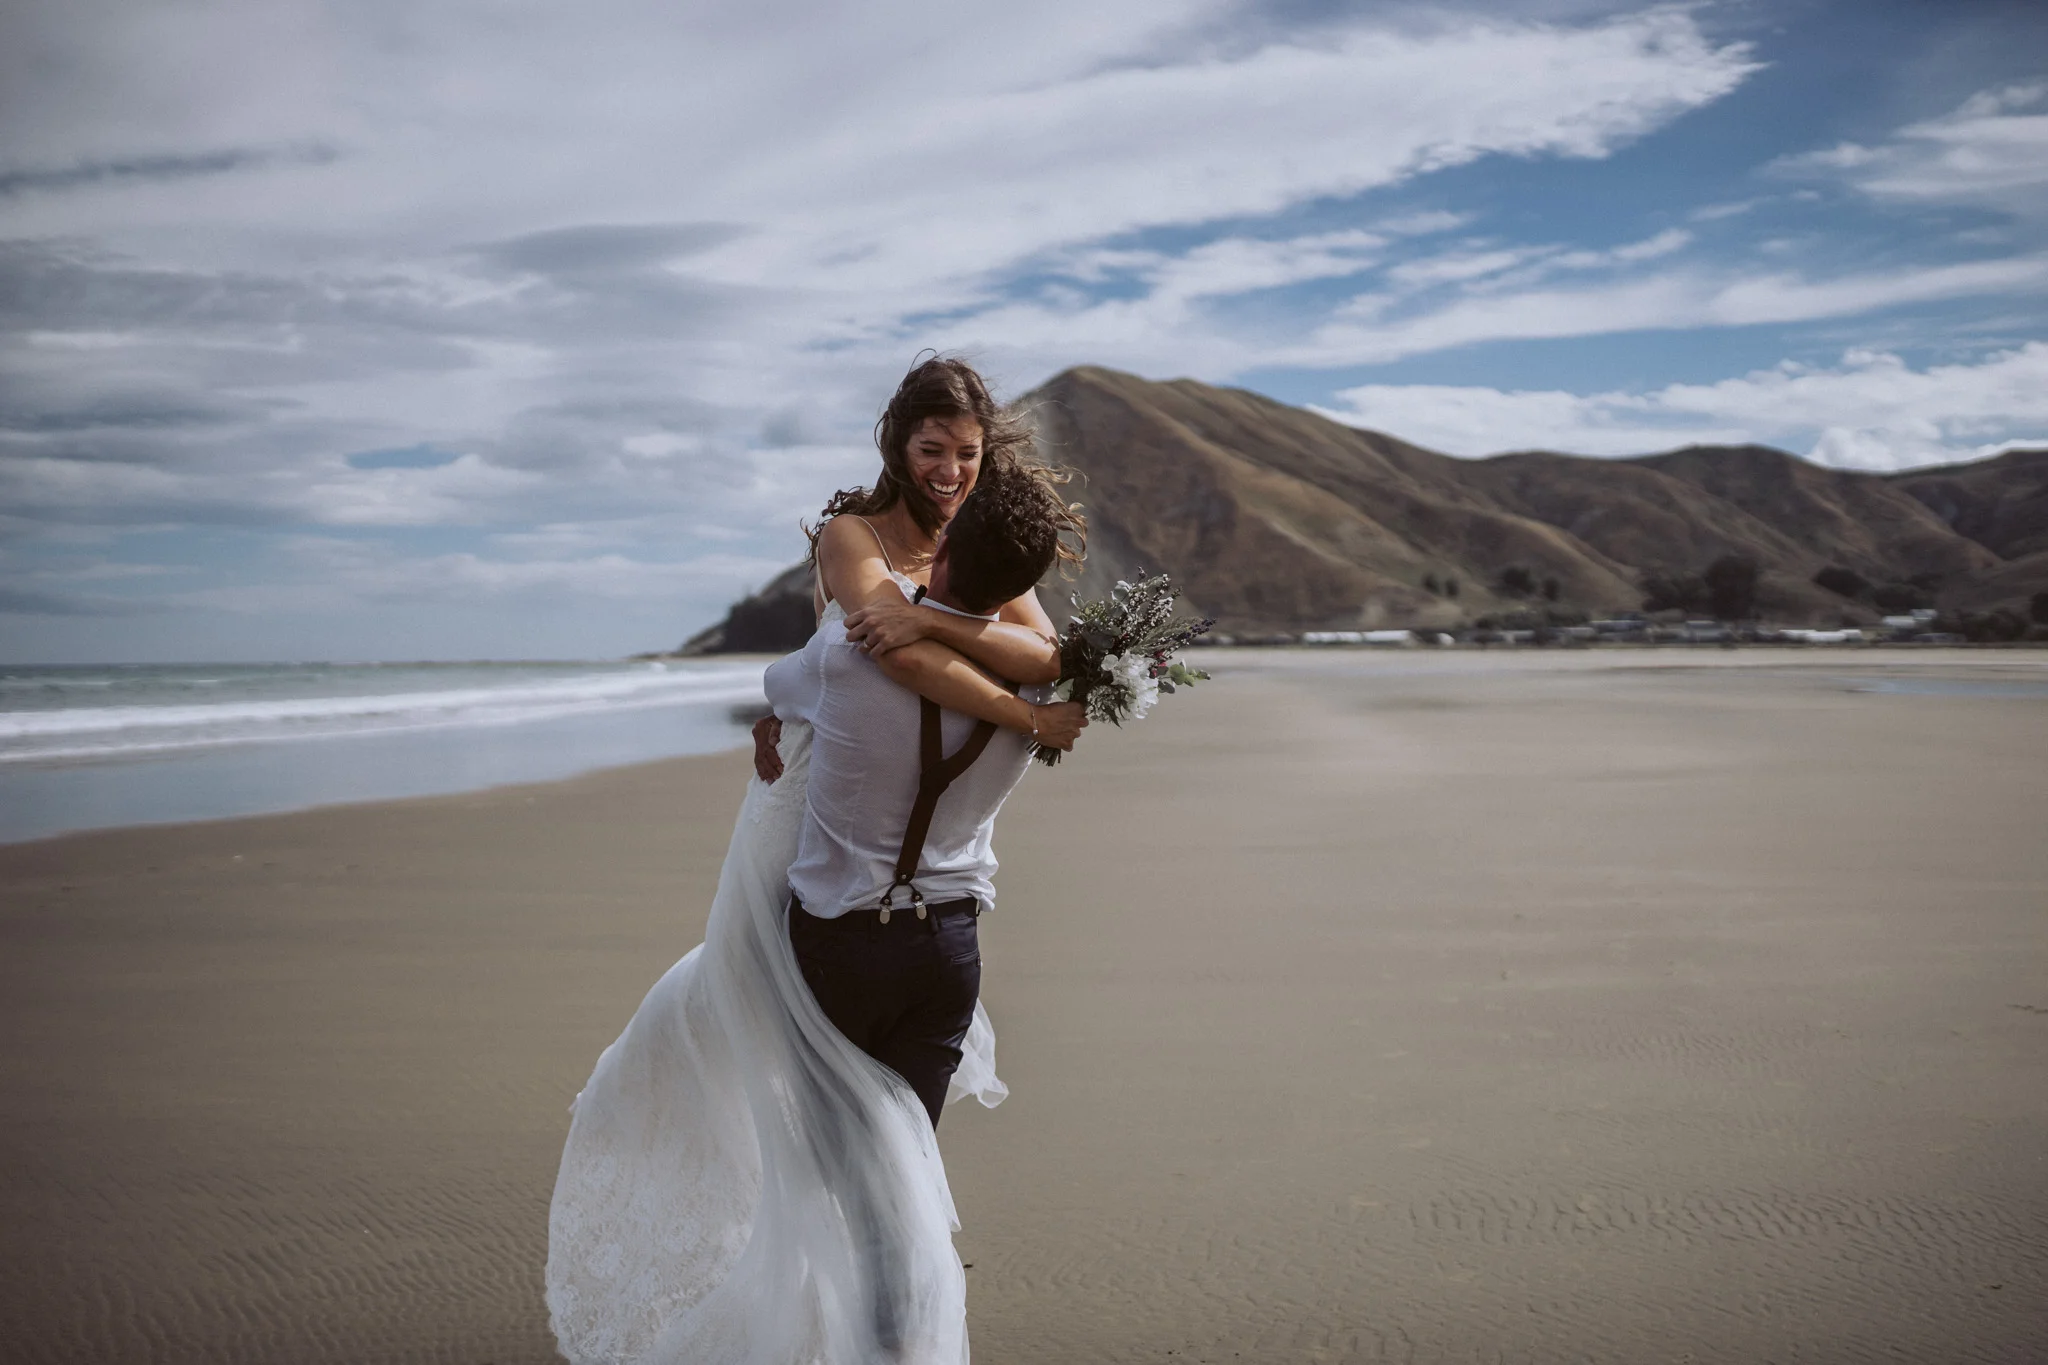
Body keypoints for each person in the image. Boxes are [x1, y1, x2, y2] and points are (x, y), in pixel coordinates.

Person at [545, 358, 1084, 1365]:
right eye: (932, 449)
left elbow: (1037, 654)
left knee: (873, 1164)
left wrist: (924, 623)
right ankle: (870, 1318)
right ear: (897, 444)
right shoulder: (853, 536)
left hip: (868, 856)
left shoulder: (974, 557)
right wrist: (1008, 708)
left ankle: (858, 1321)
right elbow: (891, 650)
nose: (949, 471)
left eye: (967, 454)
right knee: (822, 1094)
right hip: (842, 824)